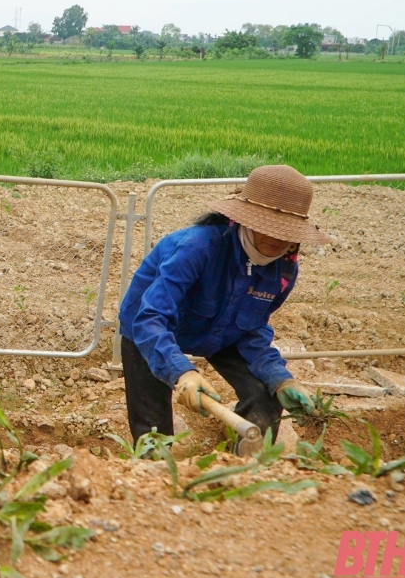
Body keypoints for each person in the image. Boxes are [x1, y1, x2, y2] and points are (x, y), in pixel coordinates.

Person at [118, 165, 334, 444]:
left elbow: (253, 330)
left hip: (224, 332)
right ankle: (153, 476)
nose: (275, 238)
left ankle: (247, 468)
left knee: (265, 394)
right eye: (265, 226)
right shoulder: (196, 248)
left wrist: (281, 379)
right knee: (154, 432)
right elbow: (151, 318)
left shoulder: (283, 272)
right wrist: (182, 372)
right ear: (246, 220)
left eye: (285, 231)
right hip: (150, 326)